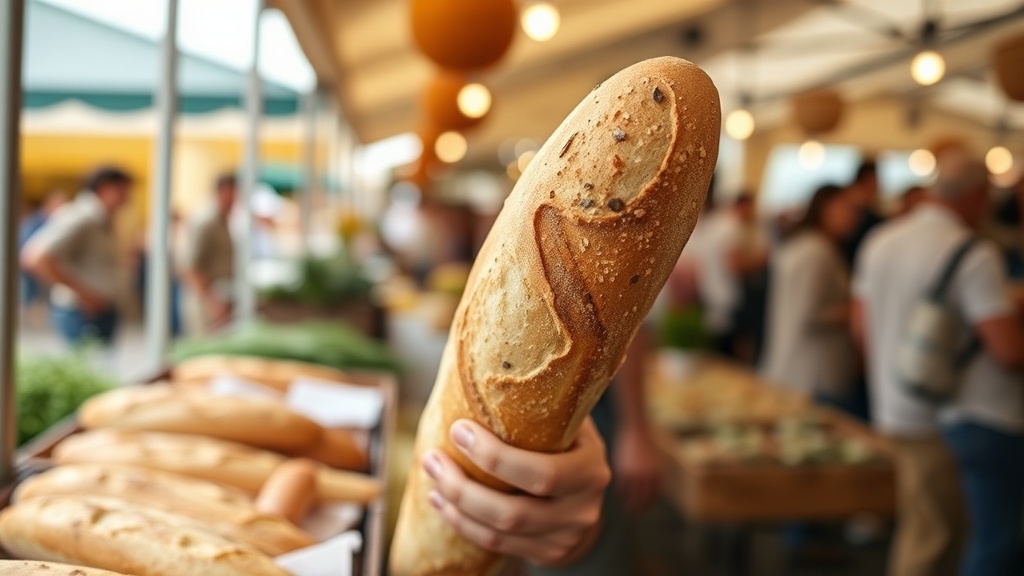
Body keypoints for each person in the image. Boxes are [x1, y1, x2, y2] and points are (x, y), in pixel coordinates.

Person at [852, 152, 1024, 576]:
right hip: (941, 411)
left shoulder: (881, 240)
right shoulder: (973, 252)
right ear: (977, 195)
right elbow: (1007, 350)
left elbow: (860, 325)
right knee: (937, 538)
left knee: (923, 527)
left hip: (891, 401)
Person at [762, 184, 859, 406]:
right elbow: (809, 314)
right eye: (848, 207)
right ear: (826, 207)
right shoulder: (816, 251)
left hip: (795, 367)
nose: (854, 216)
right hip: (812, 374)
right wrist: (853, 311)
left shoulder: (803, 245)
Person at [21, 167, 132, 346]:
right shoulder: (81, 217)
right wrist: (84, 296)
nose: (128, 197)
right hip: (82, 312)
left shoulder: (103, 218)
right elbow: (36, 257)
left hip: (100, 308)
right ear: (104, 188)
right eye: (123, 190)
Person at [695, 193, 768, 359]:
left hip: (707, 291)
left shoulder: (714, 221)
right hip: (725, 296)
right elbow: (735, 265)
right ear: (743, 206)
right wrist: (761, 260)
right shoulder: (732, 226)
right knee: (724, 352)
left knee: (710, 349)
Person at [178, 173, 237, 335]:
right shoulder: (206, 221)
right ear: (223, 191)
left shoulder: (223, 220)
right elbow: (189, 267)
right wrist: (213, 302)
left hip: (218, 297)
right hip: (205, 300)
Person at [18, 192, 67, 315]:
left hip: (38, 264)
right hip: (30, 264)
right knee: (30, 292)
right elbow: (26, 245)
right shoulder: (36, 222)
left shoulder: (51, 221)